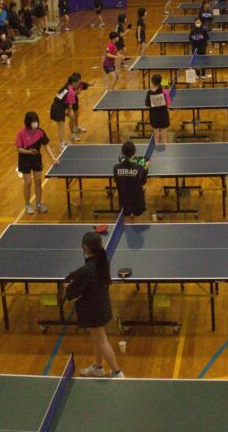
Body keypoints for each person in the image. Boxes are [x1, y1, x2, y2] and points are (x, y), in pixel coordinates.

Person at [65, 232, 124, 378]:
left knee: (102, 341)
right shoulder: (102, 261)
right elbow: (88, 276)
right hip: (102, 305)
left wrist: (68, 286)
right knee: (97, 338)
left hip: (92, 310)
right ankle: (98, 368)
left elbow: (73, 296)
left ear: (85, 247)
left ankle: (117, 372)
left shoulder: (87, 270)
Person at [16, 111, 59, 215]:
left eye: (36, 121)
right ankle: (27, 205)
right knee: (28, 182)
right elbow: (18, 149)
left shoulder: (40, 132)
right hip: (24, 159)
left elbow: (46, 145)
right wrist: (29, 152)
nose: (35, 123)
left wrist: (53, 158)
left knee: (38, 181)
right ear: (28, 122)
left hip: (36, 159)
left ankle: (39, 204)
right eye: (33, 121)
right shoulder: (21, 133)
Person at [113, 140, 149, 222]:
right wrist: (146, 169)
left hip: (124, 199)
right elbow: (143, 182)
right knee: (138, 223)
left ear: (122, 152)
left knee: (127, 223)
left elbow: (117, 180)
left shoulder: (116, 167)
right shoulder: (139, 168)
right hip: (137, 199)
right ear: (134, 152)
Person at [51, 74, 81, 149]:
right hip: (58, 109)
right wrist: (68, 112)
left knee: (72, 116)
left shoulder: (66, 87)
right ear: (73, 83)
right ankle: (62, 145)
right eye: (77, 83)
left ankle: (72, 135)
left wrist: (68, 113)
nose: (78, 84)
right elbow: (70, 106)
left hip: (57, 106)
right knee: (61, 127)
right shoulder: (71, 92)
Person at [146, 74, 171, 144]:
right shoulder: (165, 92)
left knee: (156, 135)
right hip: (163, 115)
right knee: (164, 136)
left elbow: (147, 104)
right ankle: (166, 150)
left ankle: (156, 149)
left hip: (154, 116)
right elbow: (168, 104)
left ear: (152, 82)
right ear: (160, 82)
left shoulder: (149, 92)